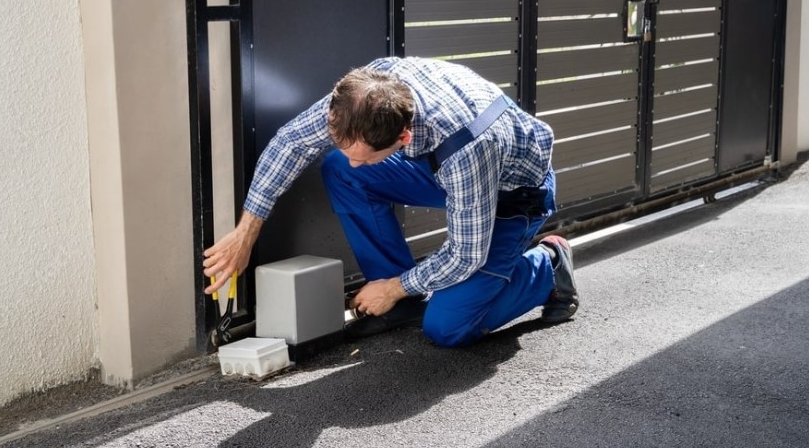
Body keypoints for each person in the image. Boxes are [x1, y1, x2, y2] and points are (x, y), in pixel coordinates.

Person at [203, 57, 578, 347]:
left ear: (402, 137)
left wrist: (393, 287)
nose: (356, 162)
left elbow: (466, 255)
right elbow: (290, 143)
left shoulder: (467, 145)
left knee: (448, 329)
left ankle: (548, 267)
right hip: (450, 175)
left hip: (512, 195)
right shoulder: (365, 96)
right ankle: (404, 304)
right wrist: (246, 233)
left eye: (365, 156)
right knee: (339, 169)